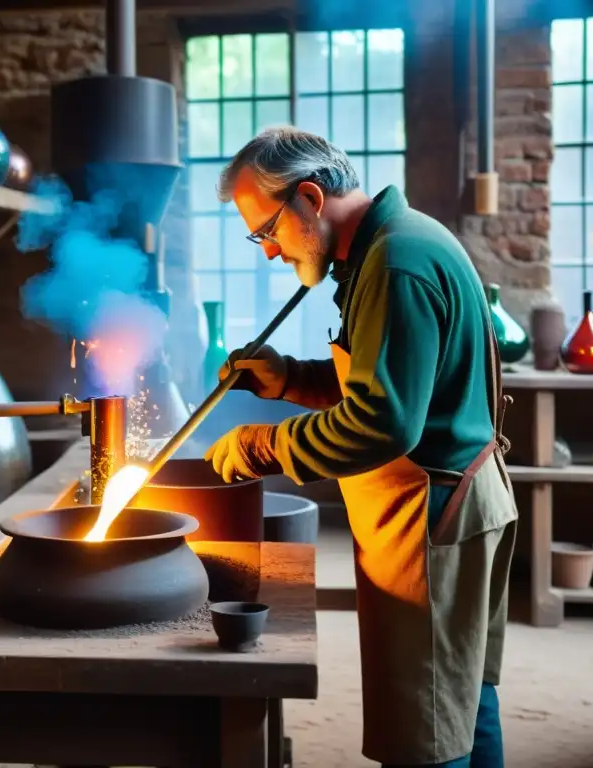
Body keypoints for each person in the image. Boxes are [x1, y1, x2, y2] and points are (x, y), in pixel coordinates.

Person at [204, 126, 518, 768]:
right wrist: (289, 378)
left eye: (267, 232)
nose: (270, 253)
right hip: (454, 503)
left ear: (310, 199)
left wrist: (263, 446)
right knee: (462, 701)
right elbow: (393, 380)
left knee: (428, 728)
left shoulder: (397, 264)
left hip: (431, 516)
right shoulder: (385, 248)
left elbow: (383, 422)